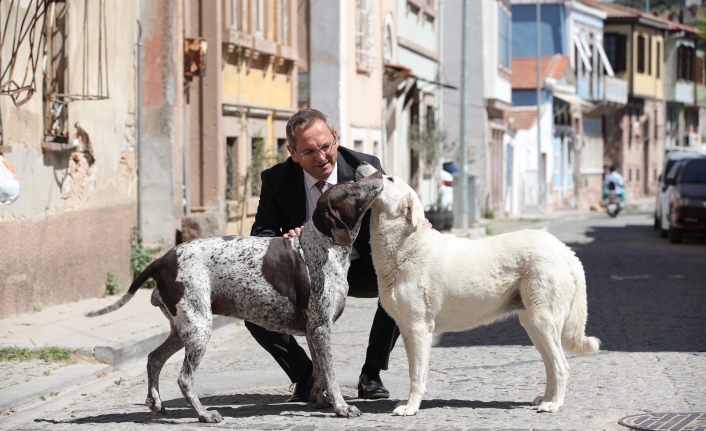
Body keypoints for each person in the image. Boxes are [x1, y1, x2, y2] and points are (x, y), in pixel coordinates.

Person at [247, 108, 400, 402]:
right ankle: (307, 377)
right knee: (251, 307)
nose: (321, 157)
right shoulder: (276, 179)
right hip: (304, 274)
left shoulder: (364, 168)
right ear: (292, 152)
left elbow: (393, 212)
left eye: (326, 146)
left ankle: (371, 375)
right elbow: (261, 236)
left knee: (396, 290)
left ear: (336, 138)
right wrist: (284, 240)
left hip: (358, 265)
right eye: (308, 151)